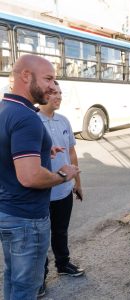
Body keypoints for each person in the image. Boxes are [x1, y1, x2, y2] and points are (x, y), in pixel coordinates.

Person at [0, 54, 80, 300]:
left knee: (13, 278)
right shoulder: (27, 118)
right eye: (48, 78)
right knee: (27, 287)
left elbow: (7, 153)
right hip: (27, 218)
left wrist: (45, 150)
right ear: (26, 76)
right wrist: (63, 175)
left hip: (8, 212)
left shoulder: (5, 109)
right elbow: (30, 177)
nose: (53, 86)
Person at [37, 81, 84, 297]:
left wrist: (78, 183)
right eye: (54, 93)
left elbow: (71, 153)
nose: (59, 97)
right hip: (43, 192)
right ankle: (39, 277)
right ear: (43, 94)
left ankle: (63, 265)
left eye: (60, 93)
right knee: (41, 238)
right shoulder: (33, 122)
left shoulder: (63, 120)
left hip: (64, 191)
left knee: (61, 231)